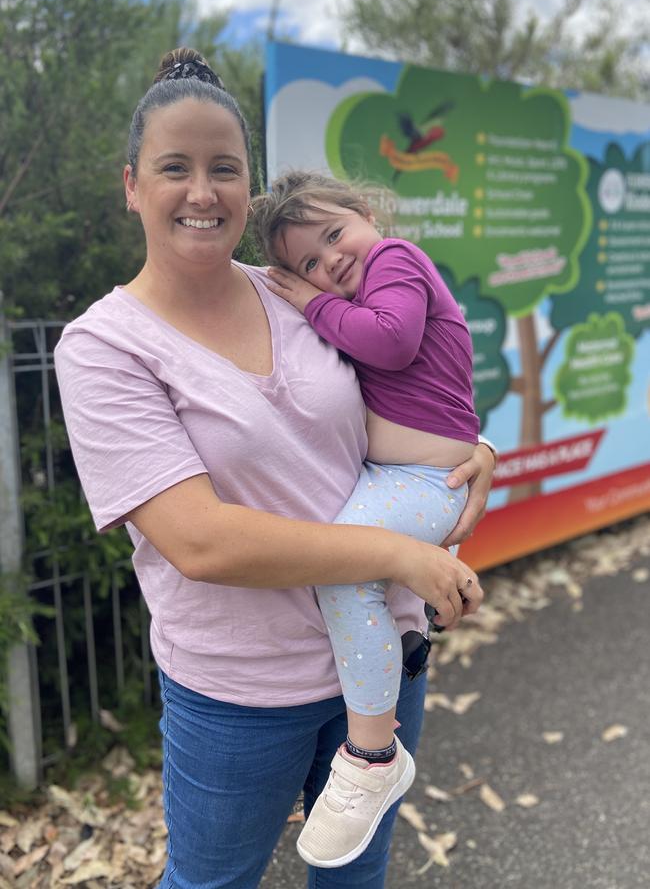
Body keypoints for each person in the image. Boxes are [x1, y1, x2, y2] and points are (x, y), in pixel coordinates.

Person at [54, 47, 494, 889]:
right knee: (211, 883)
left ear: (248, 188)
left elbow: (421, 374)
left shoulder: (298, 289)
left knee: (354, 880)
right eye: (173, 167)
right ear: (131, 185)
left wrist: (478, 449)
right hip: (240, 696)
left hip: (381, 659)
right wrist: (403, 557)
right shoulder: (106, 348)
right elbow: (202, 542)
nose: (201, 190)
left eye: (224, 168)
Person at [253, 172, 482, 867]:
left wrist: (312, 303)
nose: (330, 264)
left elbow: (391, 343)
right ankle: (374, 743)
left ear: (367, 212)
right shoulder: (361, 285)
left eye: (333, 235)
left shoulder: (396, 258)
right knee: (353, 579)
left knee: (345, 576)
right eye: (309, 265)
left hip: (422, 480)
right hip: (399, 479)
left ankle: (373, 754)